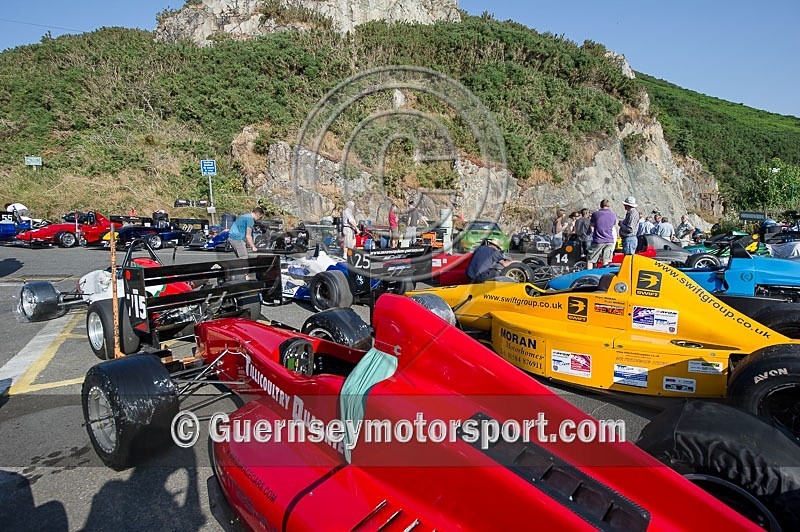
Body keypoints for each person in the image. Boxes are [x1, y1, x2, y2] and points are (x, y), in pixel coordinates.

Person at [587, 199, 617, 269]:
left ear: (600, 205)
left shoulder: (596, 214)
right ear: (609, 206)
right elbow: (613, 224)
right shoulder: (613, 215)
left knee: (590, 259)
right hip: (609, 240)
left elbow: (592, 225)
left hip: (599, 239)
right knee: (605, 261)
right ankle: (603, 276)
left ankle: (588, 276)